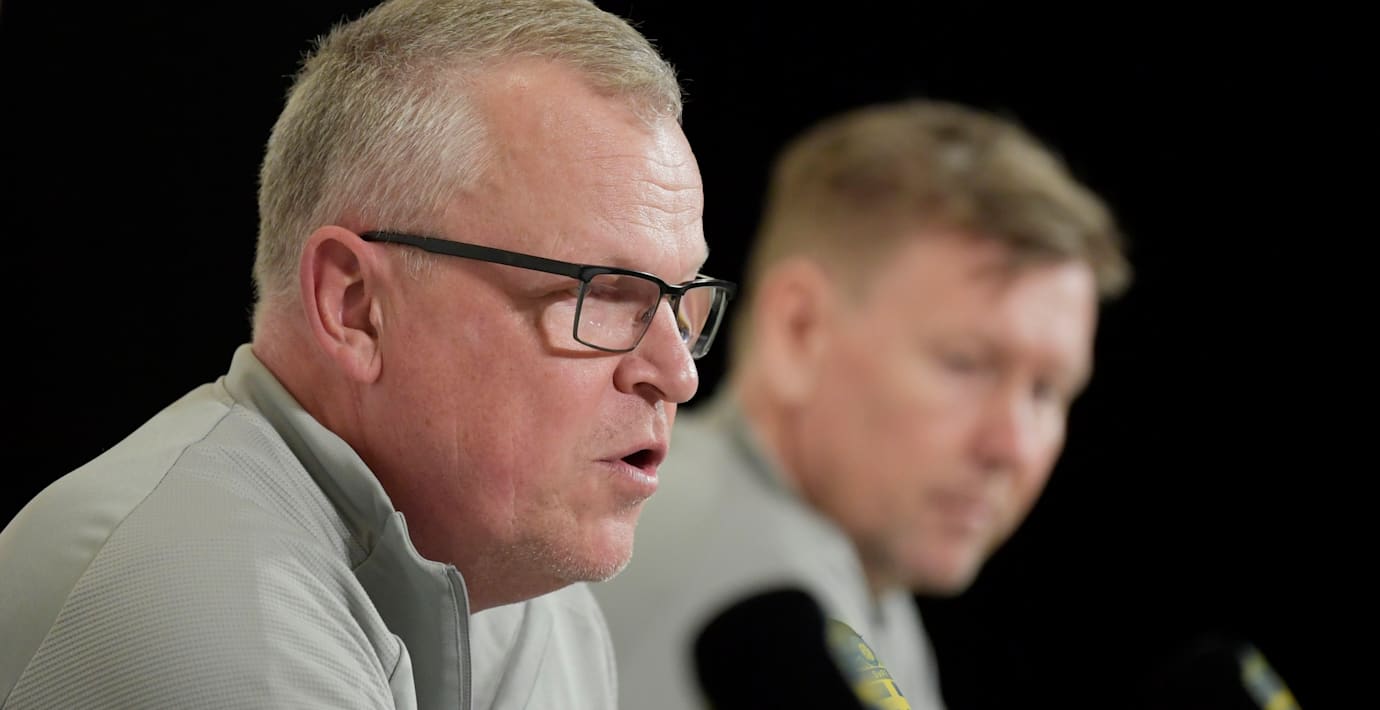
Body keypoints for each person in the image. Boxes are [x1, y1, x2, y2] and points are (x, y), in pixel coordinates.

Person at [0, 0, 736, 707]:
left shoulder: (538, 607)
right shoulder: (196, 602)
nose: (678, 375)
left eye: (681, 301)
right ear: (354, 306)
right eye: (604, 293)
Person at [592, 98, 1132, 709]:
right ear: (799, 330)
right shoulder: (736, 585)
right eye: (965, 363)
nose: (1013, 446)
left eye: (1047, 390)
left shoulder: (850, 579)